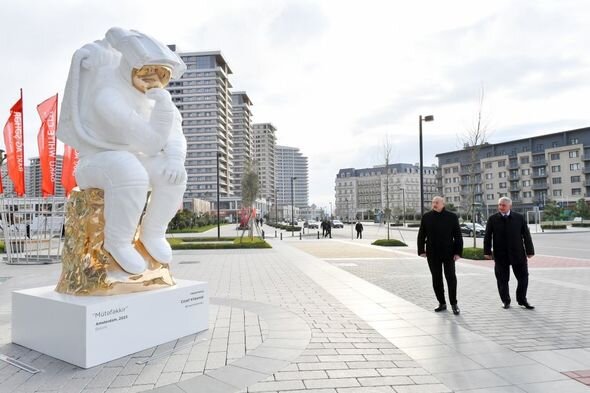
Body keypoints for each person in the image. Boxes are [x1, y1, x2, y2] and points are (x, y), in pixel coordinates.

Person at [58, 27, 187, 275]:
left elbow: (174, 135)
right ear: (130, 65)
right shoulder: (108, 94)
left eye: (161, 73)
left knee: (172, 174)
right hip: (95, 161)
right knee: (130, 171)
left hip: (133, 158)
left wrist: (174, 158)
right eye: (147, 71)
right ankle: (118, 242)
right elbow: (149, 141)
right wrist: (163, 109)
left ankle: (154, 232)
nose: (153, 79)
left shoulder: (157, 99)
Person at [484, 197, 535, 310]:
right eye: (499, 205)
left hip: (518, 253)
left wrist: (530, 251)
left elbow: (526, 235)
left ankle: (522, 299)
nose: (501, 207)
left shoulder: (519, 218)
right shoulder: (492, 219)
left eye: (503, 205)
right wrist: (487, 251)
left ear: (510, 206)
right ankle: (506, 301)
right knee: (502, 279)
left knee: (523, 278)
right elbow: (487, 236)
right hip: (500, 254)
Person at [417, 196, 463, 315]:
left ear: (443, 204)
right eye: (433, 202)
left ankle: (454, 303)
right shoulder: (426, 217)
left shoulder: (451, 217)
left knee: (451, 278)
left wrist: (458, 253)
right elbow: (421, 234)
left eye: (437, 202)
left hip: (449, 253)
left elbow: (458, 236)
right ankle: (442, 303)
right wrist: (421, 250)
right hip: (432, 253)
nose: (434, 204)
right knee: (436, 279)